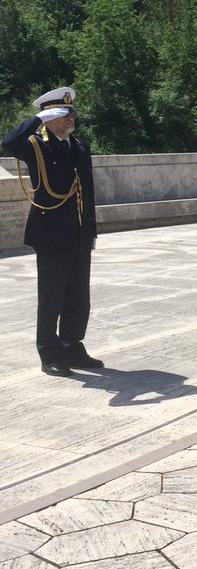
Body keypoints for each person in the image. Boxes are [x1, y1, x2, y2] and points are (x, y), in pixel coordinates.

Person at [2, 86, 102, 377]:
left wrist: (91, 230)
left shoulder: (80, 146)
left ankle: (73, 346)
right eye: (61, 113)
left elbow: (87, 191)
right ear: (49, 117)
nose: (69, 118)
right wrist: (38, 118)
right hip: (51, 234)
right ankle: (49, 353)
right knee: (51, 297)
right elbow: (8, 143)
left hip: (79, 232)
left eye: (71, 113)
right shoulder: (35, 146)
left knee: (78, 297)